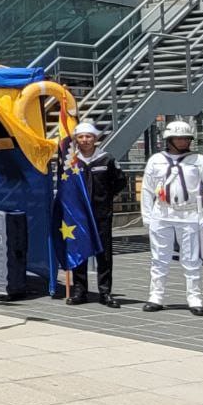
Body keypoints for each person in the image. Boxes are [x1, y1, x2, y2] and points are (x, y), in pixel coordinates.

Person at [140, 120, 203, 316]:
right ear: (169, 140)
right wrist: (147, 216)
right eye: (179, 138)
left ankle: (194, 298)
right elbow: (147, 190)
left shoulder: (198, 160)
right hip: (162, 213)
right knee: (159, 258)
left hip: (189, 212)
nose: (183, 141)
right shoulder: (156, 159)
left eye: (186, 138)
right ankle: (156, 296)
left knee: (191, 259)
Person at [68, 121, 127, 307]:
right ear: (76, 139)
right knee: (79, 252)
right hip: (77, 215)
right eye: (81, 137)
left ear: (96, 139)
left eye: (89, 137)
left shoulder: (106, 159)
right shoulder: (71, 161)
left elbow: (119, 182)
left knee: (104, 254)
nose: (85, 140)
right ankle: (79, 290)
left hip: (101, 214)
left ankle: (105, 292)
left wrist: (106, 199)